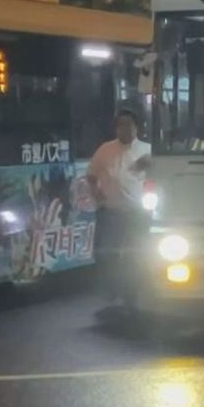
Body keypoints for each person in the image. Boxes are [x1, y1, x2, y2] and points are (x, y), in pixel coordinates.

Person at [86, 109, 151, 313]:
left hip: (137, 213)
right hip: (111, 211)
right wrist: (96, 194)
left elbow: (162, 174)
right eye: (121, 124)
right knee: (107, 253)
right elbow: (91, 174)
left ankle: (132, 293)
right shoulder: (105, 149)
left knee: (135, 255)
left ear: (137, 127)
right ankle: (112, 287)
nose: (125, 128)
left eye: (129, 124)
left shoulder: (148, 150)